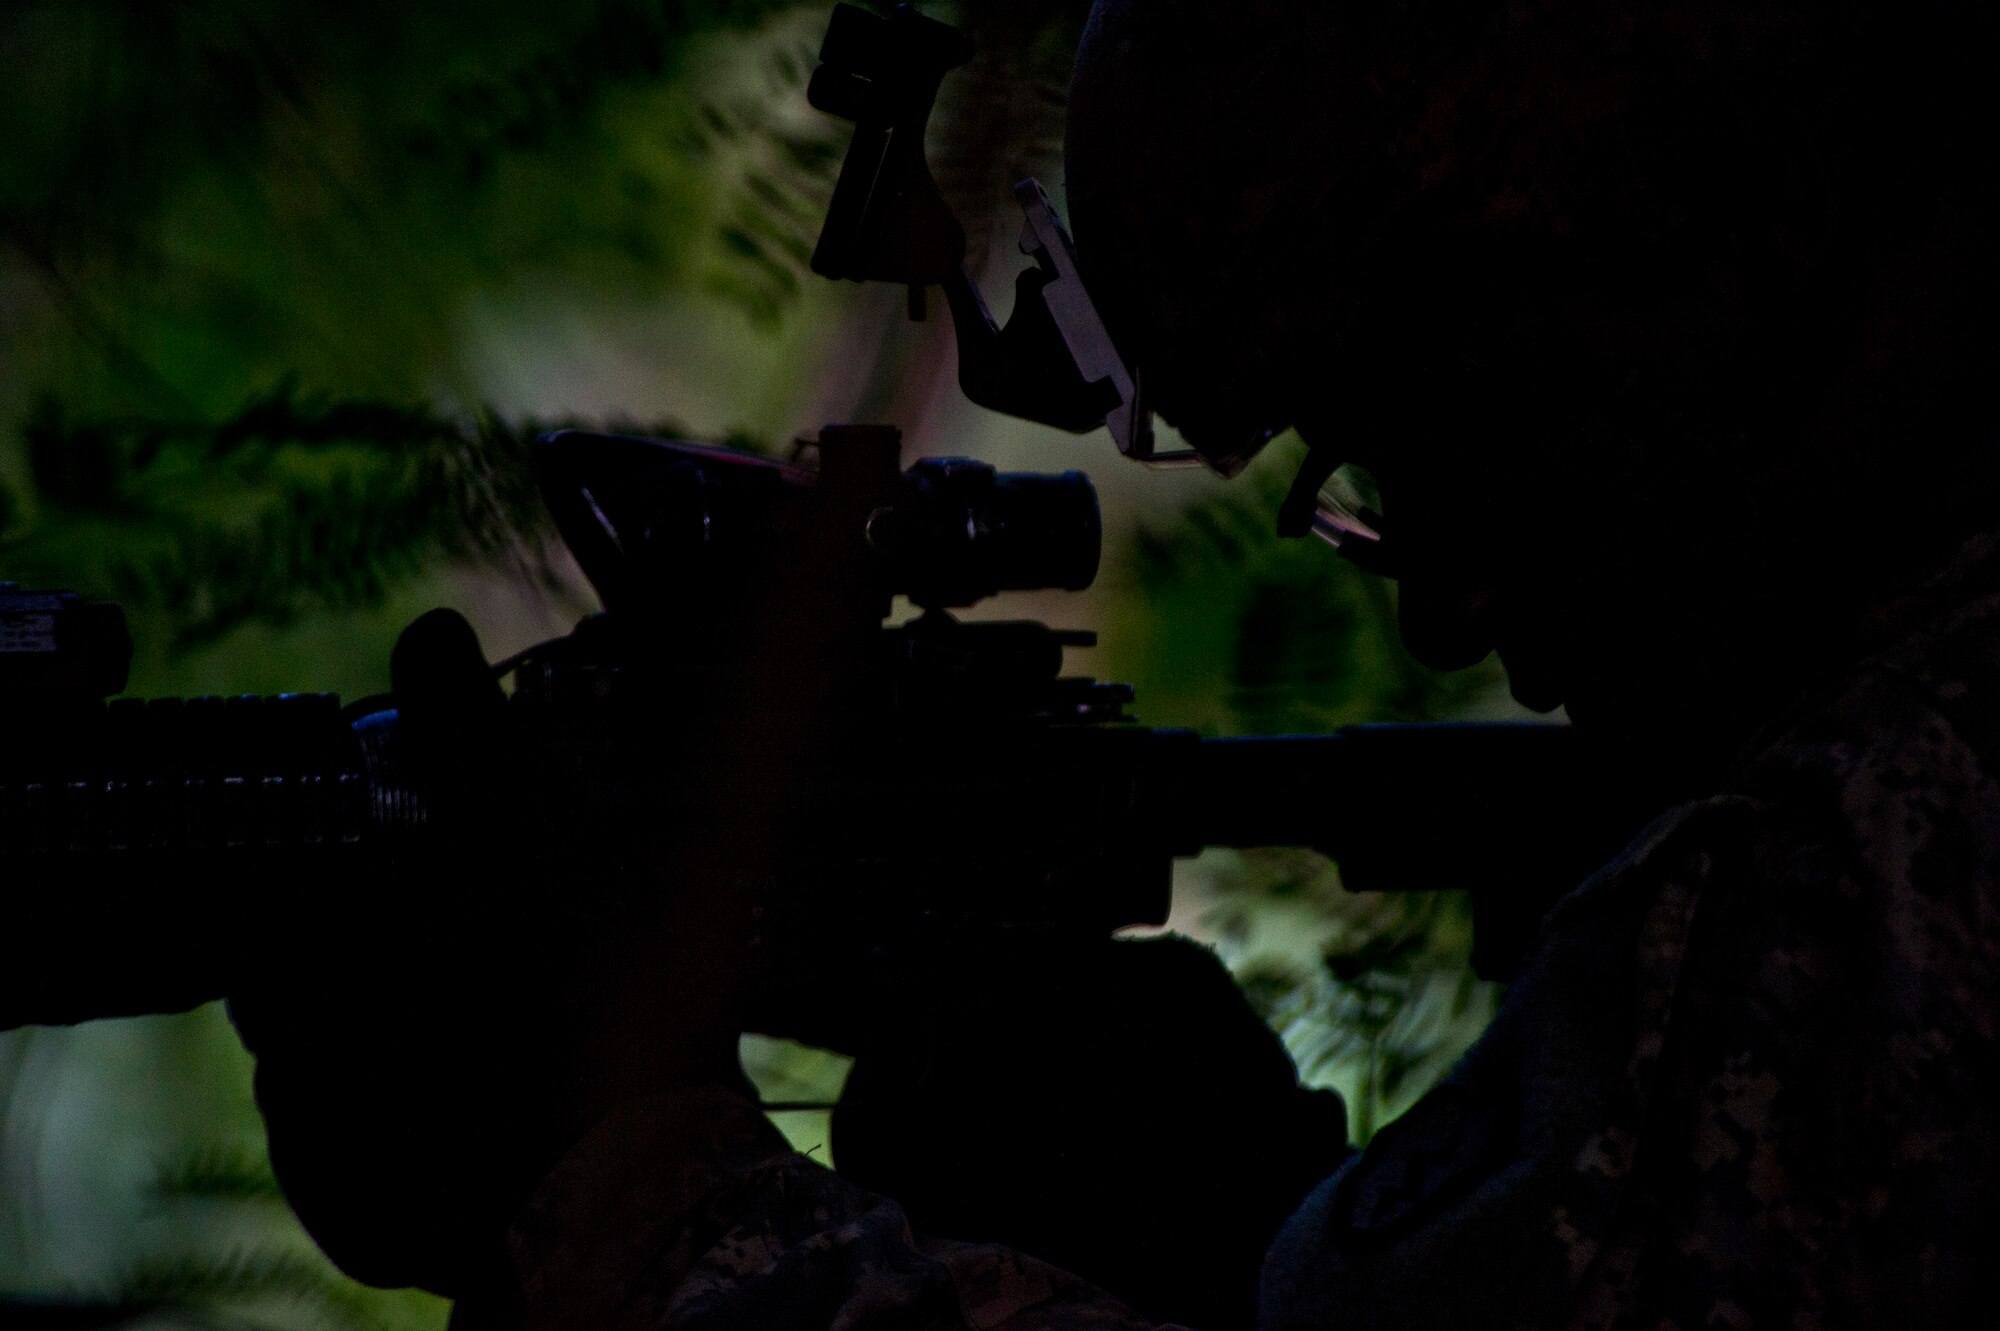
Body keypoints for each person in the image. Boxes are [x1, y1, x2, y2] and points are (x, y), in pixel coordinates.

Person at [228, 0, 2000, 1326]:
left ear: (1705, 240)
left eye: (1450, 431)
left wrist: (635, 1190)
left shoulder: (1868, 862)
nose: (1447, 609)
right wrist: (1262, 1251)